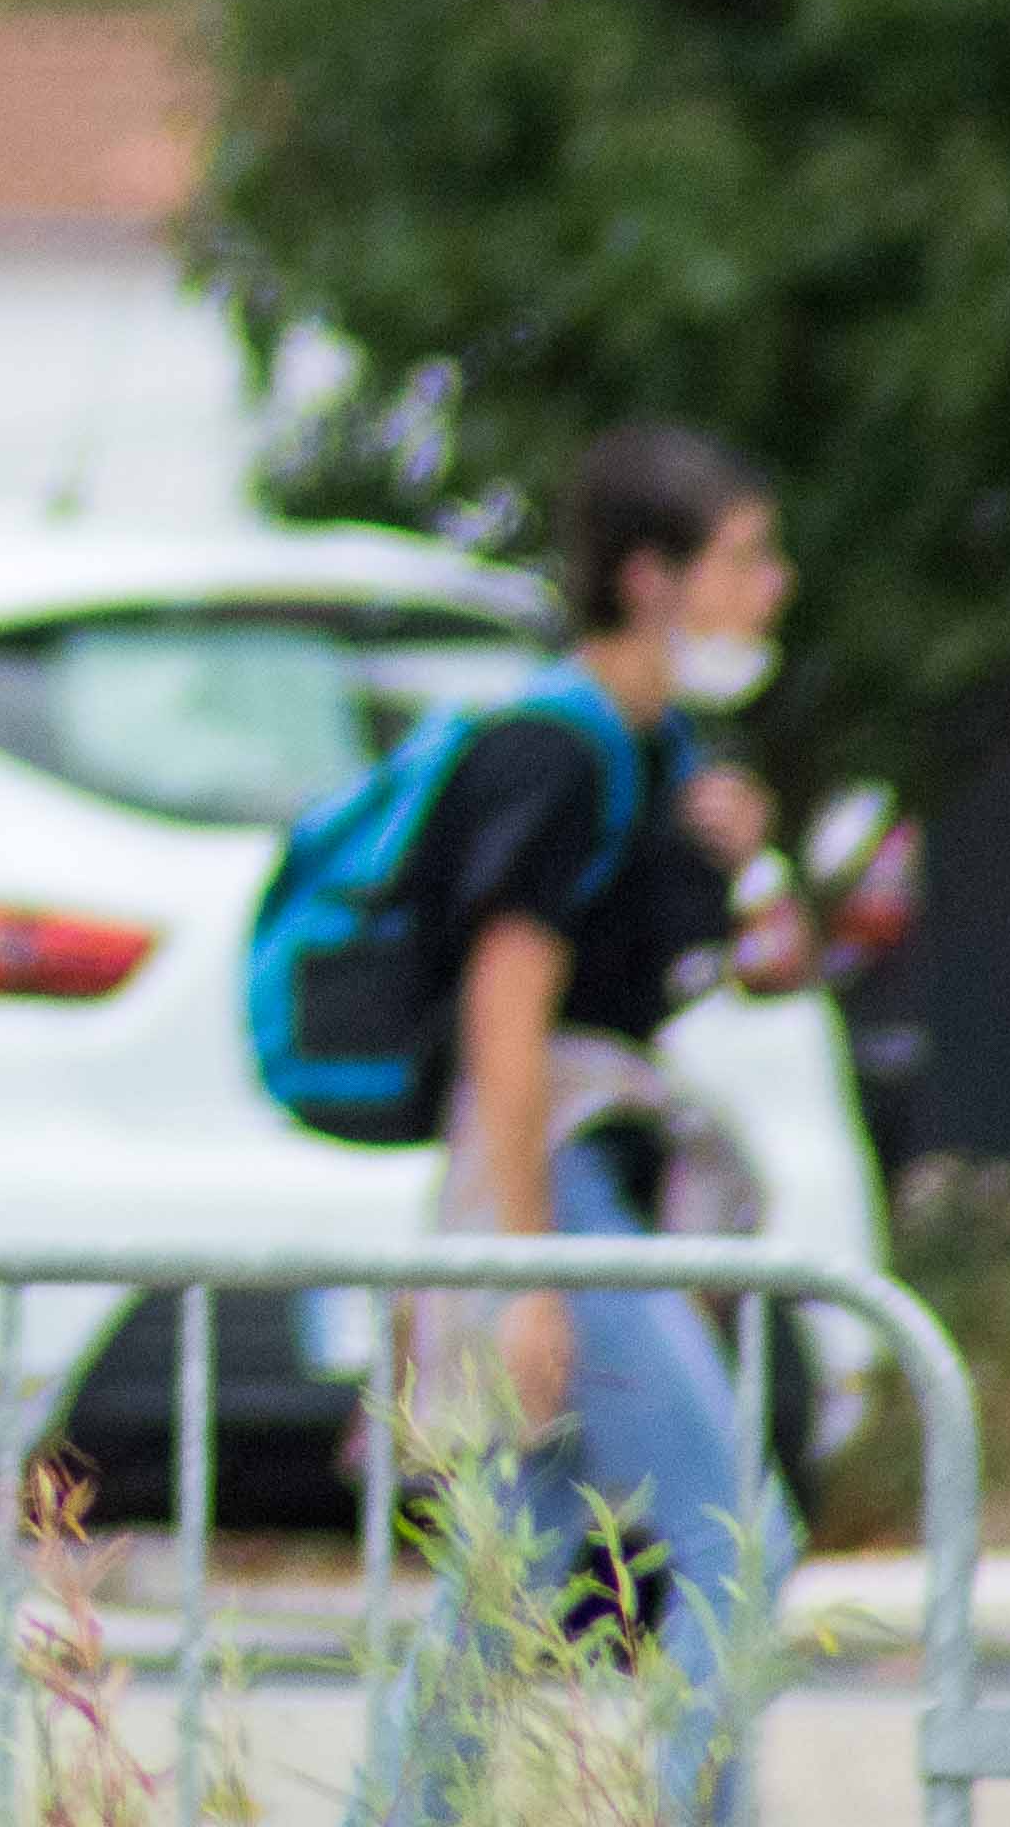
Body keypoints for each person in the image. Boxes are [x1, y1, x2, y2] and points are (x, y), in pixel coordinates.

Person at [363, 426, 810, 1824]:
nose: (773, 588)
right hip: (548, 1184)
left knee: (510, 1559)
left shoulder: (655, 751)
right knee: (745, 1538)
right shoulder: (554, 758)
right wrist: (531, 1273)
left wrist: (744, 881)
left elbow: (695, 977)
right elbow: (510, 1019)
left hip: (575, 1176)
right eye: (744, 556)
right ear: (648, 579)